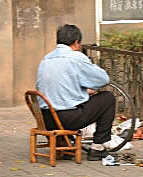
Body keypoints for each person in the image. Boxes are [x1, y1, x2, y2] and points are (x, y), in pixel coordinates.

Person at [36, 24, 116, 161]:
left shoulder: (46, 59)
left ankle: (65, 144)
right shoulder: (75, 58)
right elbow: (103, 79)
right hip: (67, 119)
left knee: (74, 102)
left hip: (47, 118)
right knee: (108, 99)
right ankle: (98, 147)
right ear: (76, 43)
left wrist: (82, 91)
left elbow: (57, 87)